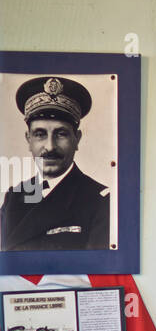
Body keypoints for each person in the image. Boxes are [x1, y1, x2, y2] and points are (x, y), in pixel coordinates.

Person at [0, 77, 110, 251]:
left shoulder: (100, 202)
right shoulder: (14, 197)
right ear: (29, 140)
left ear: (77, 139)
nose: (50, 146)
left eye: (61, 134)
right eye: (40, 134)